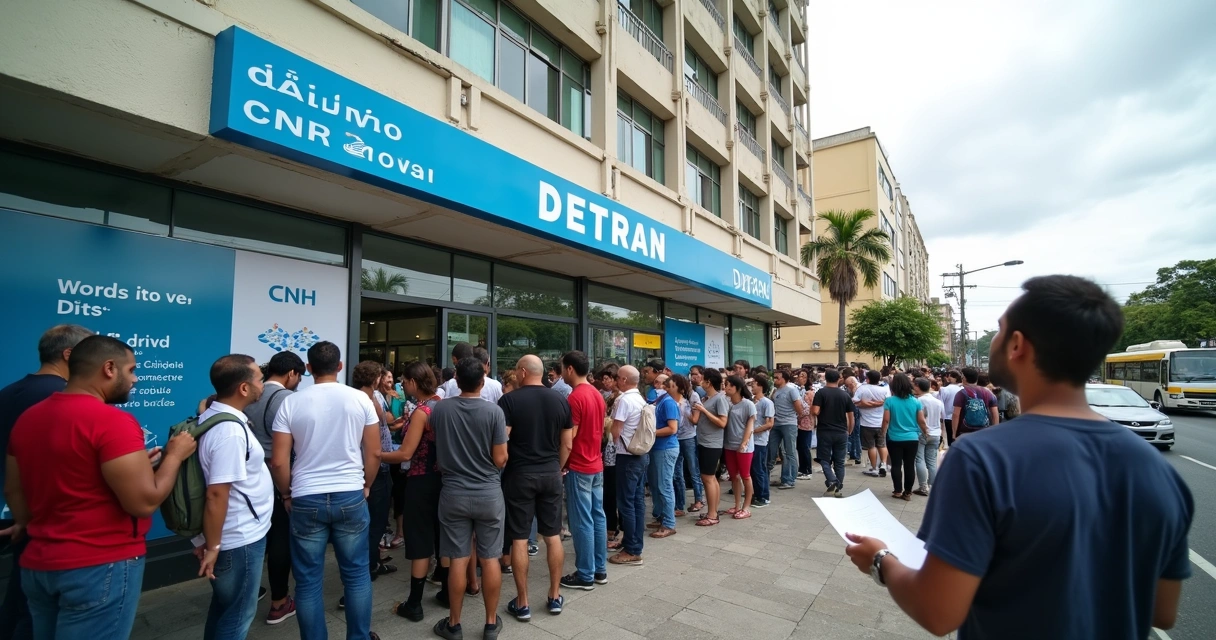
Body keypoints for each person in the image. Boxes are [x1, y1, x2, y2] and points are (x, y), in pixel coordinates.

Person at [844, 275, 1194, 639]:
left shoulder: (981, 458)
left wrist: (881, 561)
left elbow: (938, 611)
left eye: (998, 330)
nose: (994, 339)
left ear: (1016, 344)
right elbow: (1163, 611)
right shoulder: (1159, 470)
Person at [6, 335, 196, 640]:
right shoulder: (112, 422)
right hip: (99, 566)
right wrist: (174, 457)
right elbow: (144, 503)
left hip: (38, 564)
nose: (134, 380)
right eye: (132, 370)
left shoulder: (29, 418)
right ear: (109, 368)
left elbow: (16, 493)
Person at [270, 341, 382, 640]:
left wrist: (286, 494)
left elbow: (279, 461)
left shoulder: (291, 403)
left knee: (307, 583)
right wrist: (367, 484)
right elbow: (373, 453)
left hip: (306, 496)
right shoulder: (360, 399)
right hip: (350, 493)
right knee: (357, 576)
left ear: (308, 369)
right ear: (341, 366)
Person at [0, 324, 93, 639]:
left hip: (19, 515)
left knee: (20, 600)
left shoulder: (10, 391)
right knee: (36, 615)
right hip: (44, 523)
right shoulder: (60, 399)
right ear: (69, 354)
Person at [193, 355, 274, 640]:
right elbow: (216, 494)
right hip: (238, 539)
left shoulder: (216, 417)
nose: (262, 385)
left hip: (234, 535)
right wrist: (212, 544)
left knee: (225, 609)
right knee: (238, 615)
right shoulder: (229, 431)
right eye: (259, 379)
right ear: (243, 388)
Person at [430, 357, 509, 640]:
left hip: (453, 492)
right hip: (488, 493)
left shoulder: (440, 410)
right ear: (482, 380)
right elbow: (500, 459)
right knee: (490, 558)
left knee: (459, 559)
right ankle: (490, 623)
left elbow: (437, 440)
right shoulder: (494, 413)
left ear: (456, 380)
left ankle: (454, 623)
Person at [498, 355, 572, 619]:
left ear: (521, 372)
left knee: (519, 537)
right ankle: (554, 596)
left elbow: (501, 440)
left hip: (519, 475)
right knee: (553, 535)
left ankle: (523, 601)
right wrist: (558, 467)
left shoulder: (509, 401)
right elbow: (567, 444)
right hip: (551, 473)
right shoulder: (561, 400)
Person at [244, 351, 305, 624]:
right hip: (277, 475)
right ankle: (279, 602)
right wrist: (287, 490)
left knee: (257, 536)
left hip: (249, 476)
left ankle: (248, 589)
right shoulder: (287, 400)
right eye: (299, 376)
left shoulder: (248, 396)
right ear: (291, 373)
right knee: (281, 538)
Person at [387, 361, 443, 621]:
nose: (402, 385)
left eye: (404, 381)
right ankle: (445, 591)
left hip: (421, 480)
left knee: (420, 540)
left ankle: (414, 603)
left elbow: (406, 452)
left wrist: (377, 454)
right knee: (441, 535)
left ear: (413, 382)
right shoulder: (441, 405)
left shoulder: (422, 412)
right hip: (442, 479)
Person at [559, 351, 608, 592]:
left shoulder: (575, 397)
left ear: (569, 369)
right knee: (598, 517)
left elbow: (570, 439)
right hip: (596, 464)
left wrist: (559, 466)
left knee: (581, 522)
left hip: (579, 465)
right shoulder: (597, 394)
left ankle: (586, 573)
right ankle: (599, 569)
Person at [349, 363, 399, 590]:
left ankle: (374, 561)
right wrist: (368, 480)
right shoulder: (368, 401)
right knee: (375, 522)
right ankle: (368, 567)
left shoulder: (356, 397)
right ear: (376, 379)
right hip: (374, 467)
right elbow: (379, 430)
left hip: (369, 465)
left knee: (371, 521)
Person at [607, 365, 647, 566]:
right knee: (637, 502)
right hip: (640, 455)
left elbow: (616, 430)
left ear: (623, 380)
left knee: (626, 504)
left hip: (627, 456)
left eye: (617, 377)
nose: (615, 380)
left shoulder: (623, 400)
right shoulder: (640, 398)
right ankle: (635, 543)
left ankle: (631, 549)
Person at [689, 368, 728, 527]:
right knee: (711, 478)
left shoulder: (719, 399)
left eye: (702, 378)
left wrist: (704, 410)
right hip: (704, 441)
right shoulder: (707, 398)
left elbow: (722, 423)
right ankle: (713, 510)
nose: (699, 380)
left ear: (709, 382)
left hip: (712, 443)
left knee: (708, 478)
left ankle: (712, 515)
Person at [881, 374, 928, 501]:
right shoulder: (916, 402)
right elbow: (921, 421)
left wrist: (882, 432)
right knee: (909, 465)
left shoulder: (890, 401)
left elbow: (886, 420)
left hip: (894, 438)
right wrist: (926, 432)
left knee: (896, 465)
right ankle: (907, 492)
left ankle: (897, 491)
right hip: (912, 438)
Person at [812, 369, 855, 497]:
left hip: (825, 431)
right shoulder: (845, 395)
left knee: (824, 459)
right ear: (838, 379)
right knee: (839, 461)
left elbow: (815, 411)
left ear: (826, 379)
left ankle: (832, 480)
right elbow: (851, 416)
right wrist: (850, 430)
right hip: (841, 431)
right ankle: (838, 487)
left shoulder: (821, 393)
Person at [646, 376, 680, 537]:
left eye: (661, 383)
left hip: (665, 449)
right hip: (658, 448)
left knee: (664, 485)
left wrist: (650, 433)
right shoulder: (660, 401)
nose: (657, 385)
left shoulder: (668, 403)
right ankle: (661, 517)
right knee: (656, 484)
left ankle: (669, 523)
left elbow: (672, 428)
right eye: (656, 382)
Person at [721, 376, 756, 520]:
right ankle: (736, 505)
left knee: (745, 476)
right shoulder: (727, 403)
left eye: (728, 385)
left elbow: (750, 424)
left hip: (744, 447)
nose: (726, 388)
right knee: (734, 476)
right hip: (729, 444)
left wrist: (744, 442)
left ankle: (746, 507)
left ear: (737, 388)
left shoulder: (748, 404)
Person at [669, 374, 704, 515]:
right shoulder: (673, 398)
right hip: (676, 437)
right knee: (677, 472)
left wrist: (685, 409)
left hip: (688, 436)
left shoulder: (693, 396)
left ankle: (699, 499)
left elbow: (695, 419)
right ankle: (679, 504)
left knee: (693, 469)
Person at [596, 364, 621, 547]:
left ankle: (612, 528)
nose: (605, 382)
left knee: (611, 491)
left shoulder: (619, 399)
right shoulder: (605, 395)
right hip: (607, 449)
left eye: (608, 378)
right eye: (603, 378)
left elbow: (614, 427)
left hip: (613, 449)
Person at [769, 370, 805, 489]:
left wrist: (796, 417)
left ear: (784, 379)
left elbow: (798, 406)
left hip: (789, 423)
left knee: (789, 451)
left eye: (777, 378)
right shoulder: (775, 391)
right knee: (772, 450)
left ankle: (789, 479)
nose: (774, 380)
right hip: (776, 424)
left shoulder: (791, 390)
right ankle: (777, 477)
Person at [854, 370, 890, 477]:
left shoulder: (862, 388)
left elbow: (855, 401)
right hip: (881, 422)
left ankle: (874, 468)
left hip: (866, 422)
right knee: (882, 444)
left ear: (867, 379)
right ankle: (883, 464)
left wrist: (866, 404)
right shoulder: (885, 389)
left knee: (871, 446)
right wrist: (877, 404)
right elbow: (887, 402)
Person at [912, 378, 944, 496]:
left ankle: (923, 486)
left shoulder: (918, 401)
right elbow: (942, 419)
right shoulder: (938, 402)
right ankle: (932, 485)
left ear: (918, 386)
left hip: (921, 432)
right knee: (931, 461)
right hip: (936, 433)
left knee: (919, 459)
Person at [749, 374, 775, 509]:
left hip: (760, 441)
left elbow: (770, 423)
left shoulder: (767, 402)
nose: (752, 386)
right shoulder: (753, 402)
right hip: (752, 440)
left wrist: (752, 431)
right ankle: (758, 494)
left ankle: (763, 496)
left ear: (760, 386)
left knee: (759, 469)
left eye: (754, 384)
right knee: (755, 469)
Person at [952, 367, 999, 440]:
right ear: (976, 379)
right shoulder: (988, 393)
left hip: (965, 432)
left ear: (964, 378)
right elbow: (995, 413)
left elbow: (956, 414)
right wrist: (995, 431)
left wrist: (954, 433)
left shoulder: (961, 394)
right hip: (984, 431)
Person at [840, 367, 863, 464]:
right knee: (856, 433)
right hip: (856, 410)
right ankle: (856, 454)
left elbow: (853, 400)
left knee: (850, 431)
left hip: (852, 410)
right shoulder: (861, 385)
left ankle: (853, 453)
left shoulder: (853, 387)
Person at [795, 380, 816, 479]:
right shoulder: (805, 404)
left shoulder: (809, 407)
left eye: (807, 394)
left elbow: (801, 413)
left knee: (804, 449)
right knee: (800, 448)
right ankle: (802, 469)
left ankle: (807, 470)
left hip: (806, 429)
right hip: (800, 428)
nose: (805, 395)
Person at [938, 370, 963, 447]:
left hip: (947, 417)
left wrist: (941, 417)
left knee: (950, 439)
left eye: (949, 376)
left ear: (954, 378)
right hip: (960, 416)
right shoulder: (962, 389)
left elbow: (940, 404)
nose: (948, 378)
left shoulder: (944, 389)